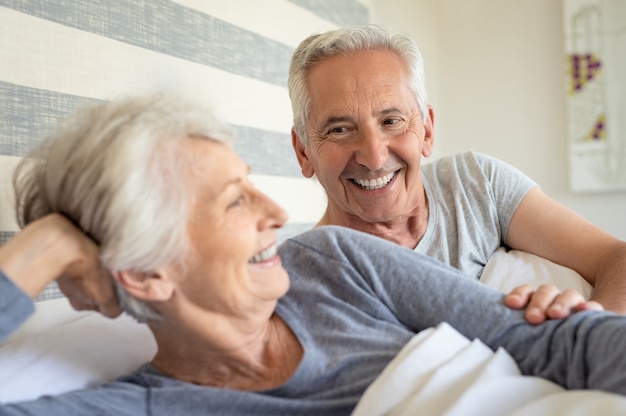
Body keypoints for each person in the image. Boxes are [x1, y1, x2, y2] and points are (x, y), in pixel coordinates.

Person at [2, 94, 626, 415]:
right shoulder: (145, 407)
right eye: (232, 202)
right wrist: (40, 250)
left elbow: (560, 345)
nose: (276, 213)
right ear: (144, 272)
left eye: (252, 182)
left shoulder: (336, 261)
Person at [288, 25, 626, 316]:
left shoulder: (475, 183)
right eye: (340, 130)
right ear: (304, 152)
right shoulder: (298, 278)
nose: (375, 157)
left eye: (391, 121)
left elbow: (616, 258)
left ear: (428, 130)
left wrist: (592, 335)